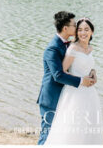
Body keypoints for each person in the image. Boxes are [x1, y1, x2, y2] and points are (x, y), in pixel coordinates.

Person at [37, 11, 96, 144]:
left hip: (68, 96)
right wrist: (82, 81)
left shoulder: (71, 45)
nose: (77, 28)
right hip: (52, 97)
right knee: (48, 134)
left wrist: (92, 71)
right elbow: (58, 75)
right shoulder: (52, 48)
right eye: (74, 25)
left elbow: (80, 62)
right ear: (65, 28)